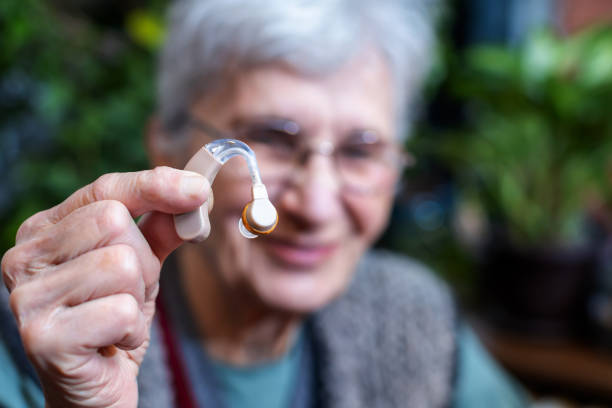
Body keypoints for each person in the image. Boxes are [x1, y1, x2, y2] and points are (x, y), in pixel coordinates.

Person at [0, 0, 529, 407]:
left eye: (361, 150)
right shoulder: (46, 338)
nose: (317, 206)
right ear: (167, 146)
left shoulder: (413, 322)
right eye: (272, 138)